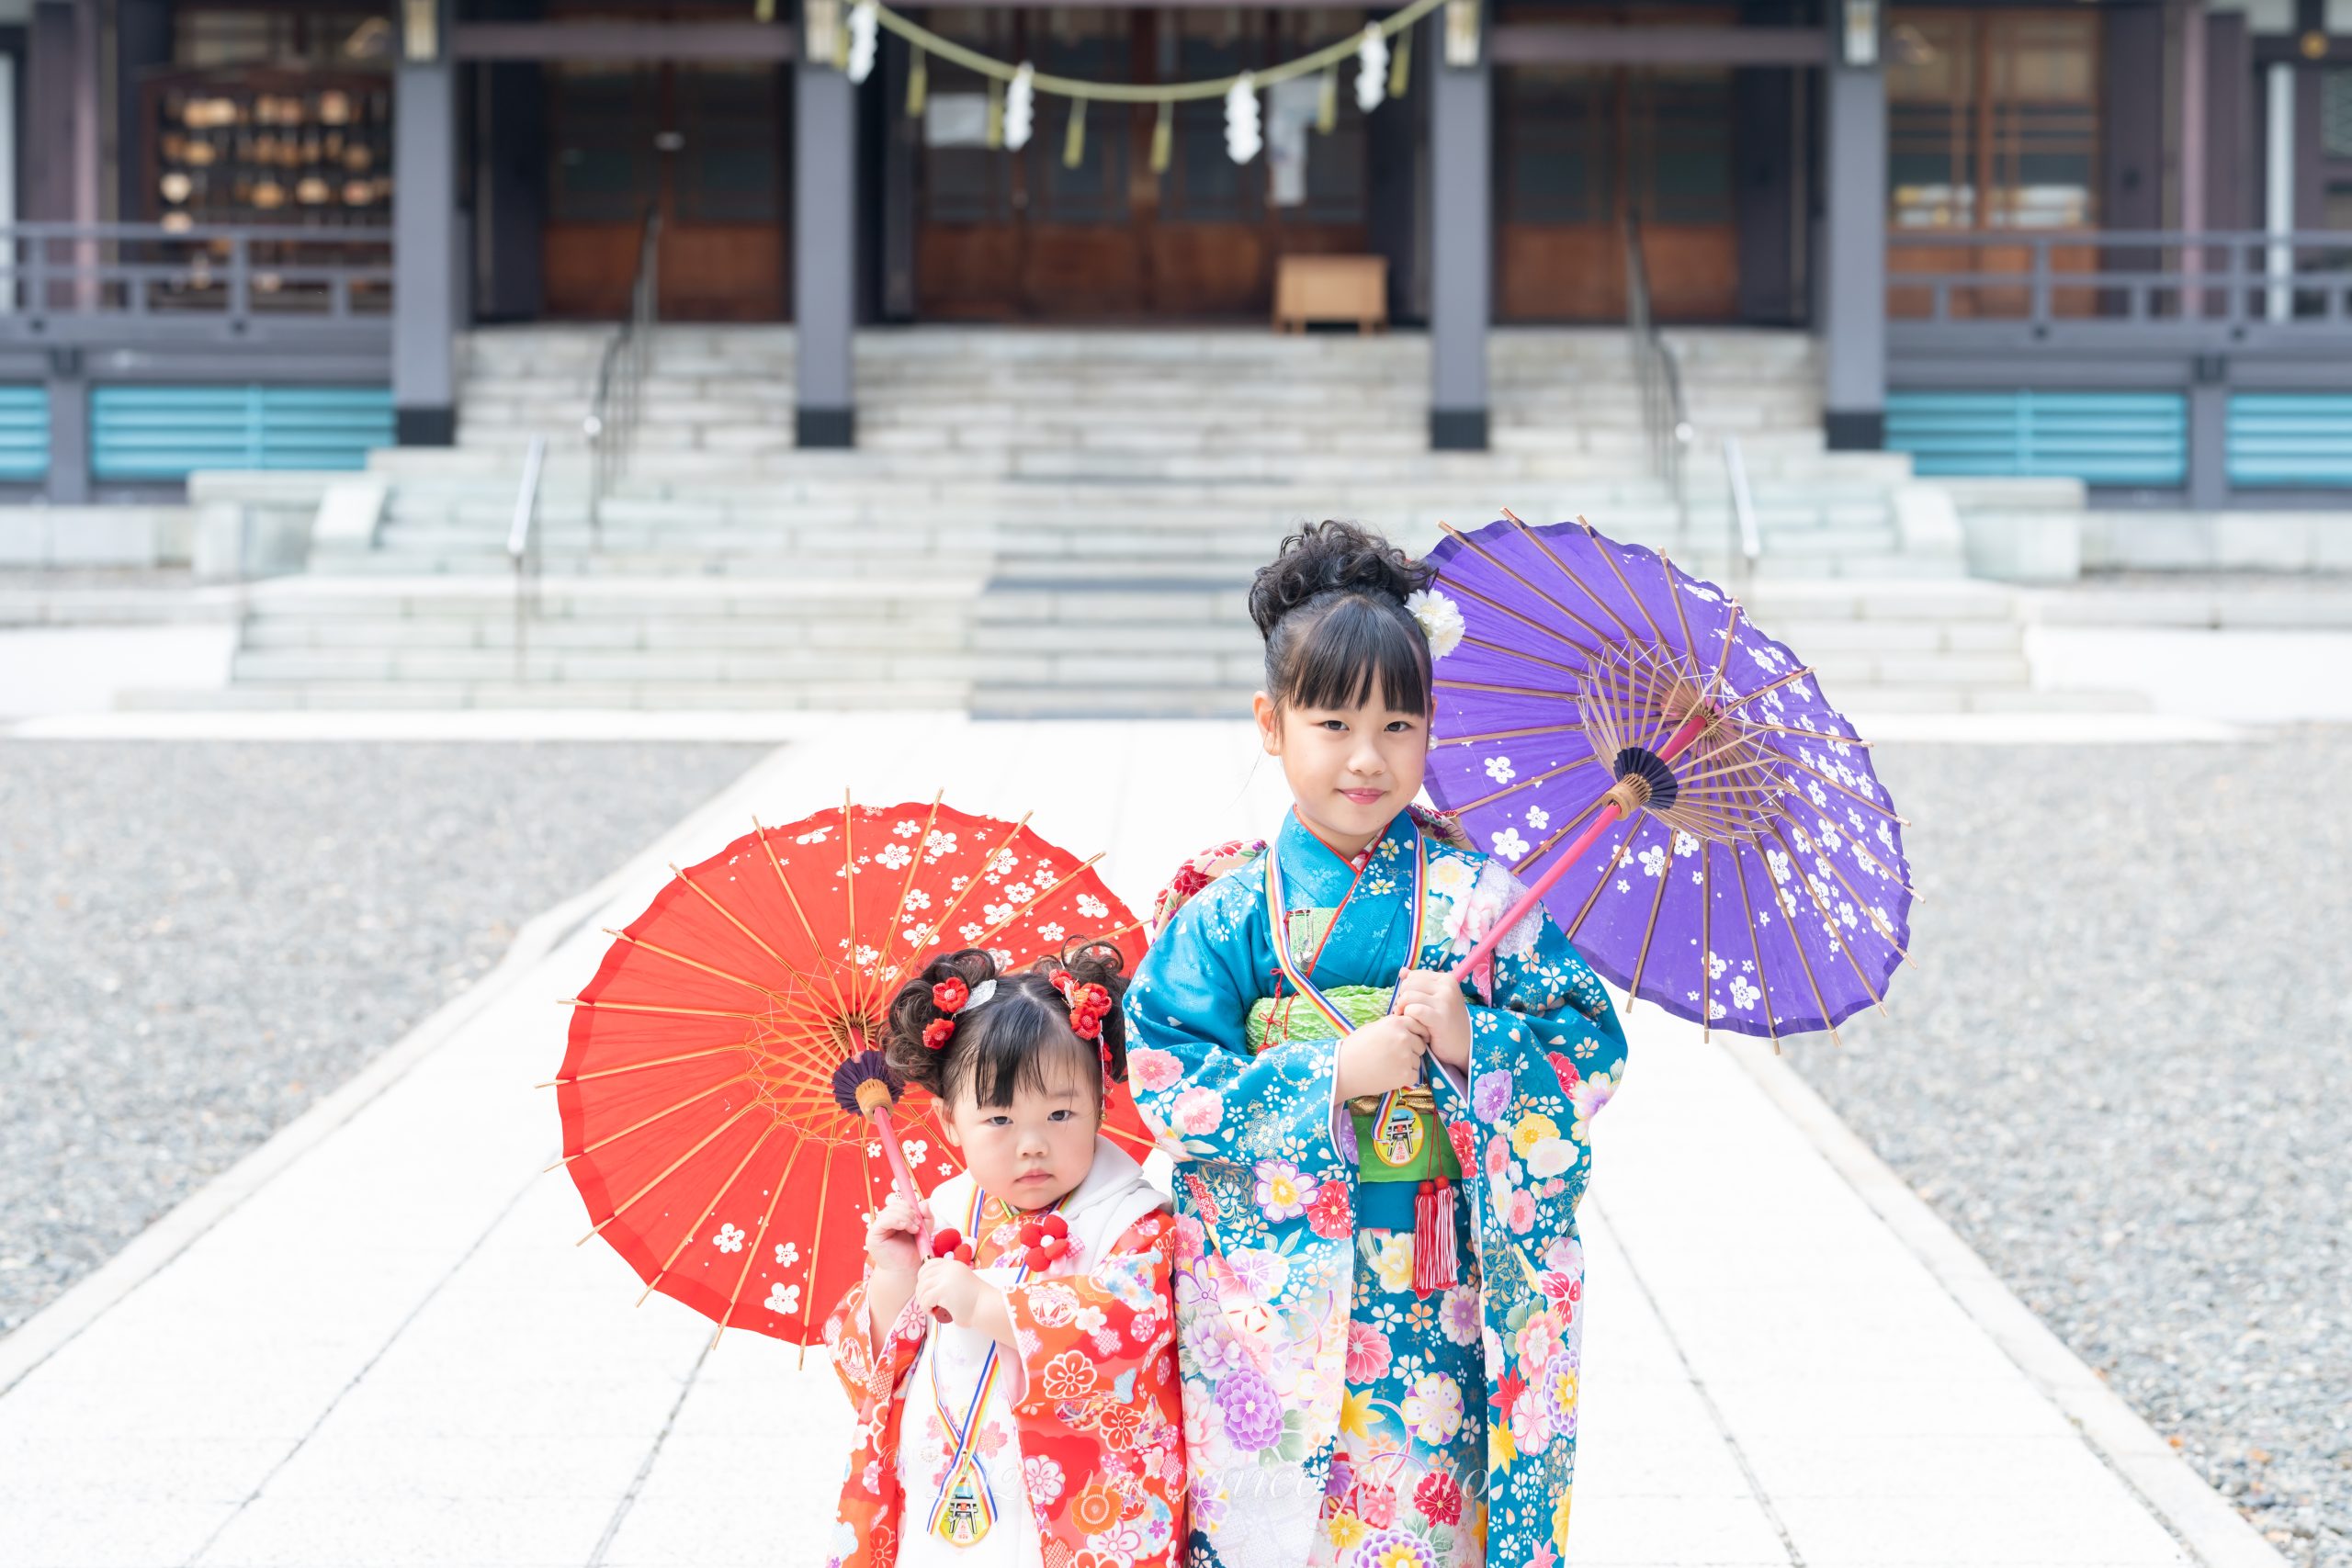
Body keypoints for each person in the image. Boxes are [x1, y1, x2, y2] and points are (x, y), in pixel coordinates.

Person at [1125, 521, 1630, 1568]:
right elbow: (1166, 1076)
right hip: (1271, 1296)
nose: (1367, 757)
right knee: (1270, 1525)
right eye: (1332, 721)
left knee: (1421, 1524)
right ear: (1271, 724)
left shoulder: (1477, 899)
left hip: (1429, 1301)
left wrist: (1471, 1044)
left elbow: (1591, 1048)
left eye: (1399, 724)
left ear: (1431, 730)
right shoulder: (1224, 912)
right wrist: (1329, 1075)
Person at [823, 942, 1186, 1568]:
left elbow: (1133, 1329)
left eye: (1061, 1112)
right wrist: (895, 1277)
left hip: (1077, 1503)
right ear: (948, 1122)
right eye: (997, 1119)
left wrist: (988, 1304)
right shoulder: (940, 1212)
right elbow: (872, 1371)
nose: (1032, 1144)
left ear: (1101, 1103)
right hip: (950, 1477)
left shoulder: (1130, 1219)